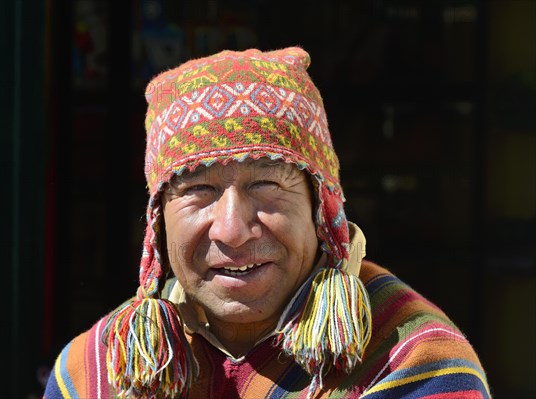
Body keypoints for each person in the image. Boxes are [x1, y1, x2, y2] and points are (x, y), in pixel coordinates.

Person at [44, 47, 491, 399]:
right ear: (158, 221)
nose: (232, 229)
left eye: (266, 184)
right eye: (198, 191)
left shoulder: (412, 359)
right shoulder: (95, 372)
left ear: (322, 206)